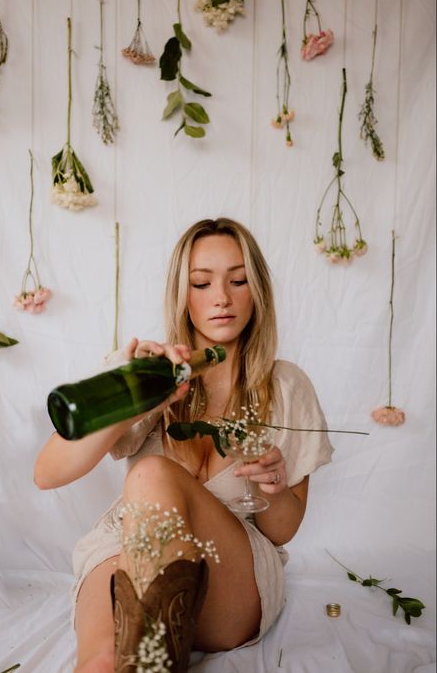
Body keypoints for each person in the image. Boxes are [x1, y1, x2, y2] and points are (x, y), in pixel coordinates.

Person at [34, 217, 333, 673]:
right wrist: (136, 404)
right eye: (201, 282)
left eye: (238, 280)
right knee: (102, 661)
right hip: (126, 543)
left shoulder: (286, 386)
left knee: (151, 473)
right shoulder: (146, 371)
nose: (221, 298)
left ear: (258, 291)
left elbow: (284, 531)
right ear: (182, 292)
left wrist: (273, 486)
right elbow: (47, 473)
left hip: (233, 571)